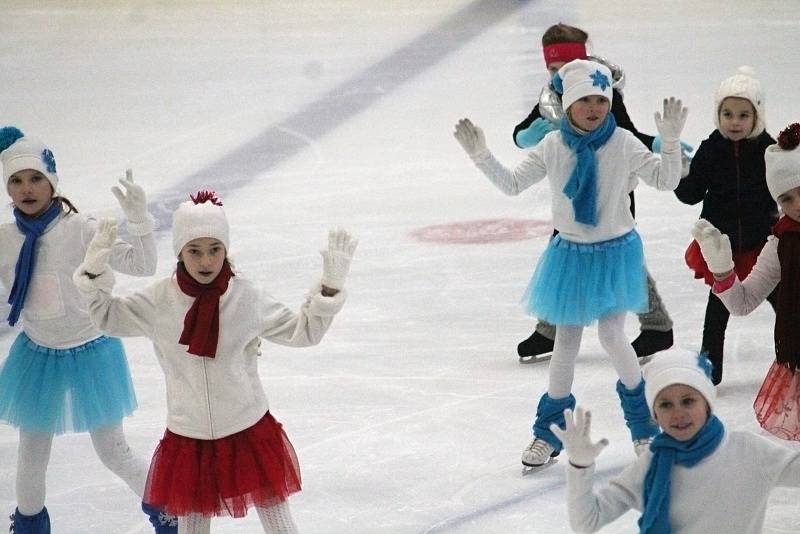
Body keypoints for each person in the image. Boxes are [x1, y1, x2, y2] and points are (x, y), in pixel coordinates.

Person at [73, 190, 357, 533]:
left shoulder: (247, 298)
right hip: (188, 437)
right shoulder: (160, 301)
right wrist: (92, 273)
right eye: (195, 251)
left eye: (214, 250)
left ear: (225, 250)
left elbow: (303, 333)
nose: (206, 261)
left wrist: (328, 290)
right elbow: (107, 317)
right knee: (192, 527)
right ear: (180, 251)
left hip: (247, 429)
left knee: (279, 523)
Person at [453, 59, 688, 467]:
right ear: (568, 104)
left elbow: (666, 182)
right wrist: (481, 156)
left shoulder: (625, 144)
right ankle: (549, 433)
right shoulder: (552, 146)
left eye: (601, 98)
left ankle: (644, 429)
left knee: (614, 338)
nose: (595, 107)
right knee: (566, 344)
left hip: (616, 252)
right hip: (572, 255)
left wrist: (668, 143)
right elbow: (511, 185)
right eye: (585, 100)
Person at [0, 127, 174, 533]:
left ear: (53, 181)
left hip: (90, 352)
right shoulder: (4, 239)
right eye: (16, 180)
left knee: (113, 451)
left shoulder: (81, 229)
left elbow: (143, 266)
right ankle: (29, 526)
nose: (26, 188)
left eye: (35, 178)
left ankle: (170, 514)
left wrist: (139, 220)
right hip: (38, 355)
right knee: (31, 452)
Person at [512, 23, 685, 363]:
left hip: (612, 188)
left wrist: (664, 144)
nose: (562, 74)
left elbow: (630, 134)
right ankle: (552, 329)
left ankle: (656, 324)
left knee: (619, 259)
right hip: (571, 192)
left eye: (568, 64)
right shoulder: (552, 98)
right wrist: (529, 135)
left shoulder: (602, 93)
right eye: (553, 68)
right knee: (564, 254)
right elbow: (521, 134)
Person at [554, 349, 800, 533]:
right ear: (655, 414)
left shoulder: (748, 451)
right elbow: (587, 522)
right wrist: (579, 467)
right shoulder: (650, 465)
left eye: (688, 400)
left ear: (707, 403)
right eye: (665, 404)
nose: (678, 413)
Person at [691, 121, 800, 441]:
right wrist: (722, 270)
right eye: (787, 199)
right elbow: (742, 303)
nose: (797, 205)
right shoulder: (781, 243)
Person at [675, 66, 778, 385]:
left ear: (756, 117)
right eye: (728, 113)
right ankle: (710, 368)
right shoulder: (710, 149)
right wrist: (679, 172)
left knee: (785, 304)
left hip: (763, 246)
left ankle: (792, 359)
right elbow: (690, 194)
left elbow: (785, 188)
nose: (734, 121)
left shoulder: (769, 149)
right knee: (718, 310)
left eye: (743, 115)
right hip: (721, 248)